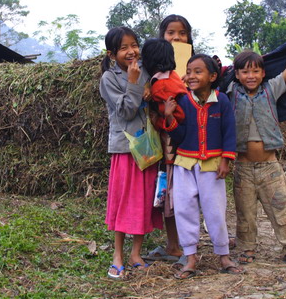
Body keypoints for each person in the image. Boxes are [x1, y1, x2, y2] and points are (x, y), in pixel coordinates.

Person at [227, 48, 286, 265]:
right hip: (242, 169)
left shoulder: (271, 89)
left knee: (280, 208)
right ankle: (246, 249)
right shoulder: (231, 92)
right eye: (244, 72)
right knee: (245, 213)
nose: (250, 76)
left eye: (255, 71)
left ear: (264, 73)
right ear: (236, 74)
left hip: (270, 167)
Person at [164, 54, 241, 279]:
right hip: (184, 165)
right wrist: (169, 118)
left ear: (213, 76)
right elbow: (179, 135)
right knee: (184, 209)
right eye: (189, 71)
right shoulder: (184, 101)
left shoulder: (222, 101)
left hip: (212, 165)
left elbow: (229, 131)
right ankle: (190, 258)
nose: (192, 76)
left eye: (198, 71)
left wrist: (226, 159)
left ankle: (223, 255)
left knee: (215, 210)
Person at [99, 26, 163, 280]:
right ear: (112, 54)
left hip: (147, 146)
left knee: (143, 200)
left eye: (134, 45)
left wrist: (149, 89)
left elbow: (152, 99)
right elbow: (125, 111)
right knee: (123, 201)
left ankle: (136, 253)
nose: (131, 51)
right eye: (124, 47)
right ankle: (118, 255)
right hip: (125, 149)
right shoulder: (109, 79)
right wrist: (136, 85)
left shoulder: (146, 71)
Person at [143, 15, 194, 264]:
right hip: (171, 146)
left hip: (175, 146)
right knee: (171, 197)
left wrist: (161, 120)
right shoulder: (172, 76)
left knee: (174, 196)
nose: (176, 38)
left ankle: (183, 248)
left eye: (182, 33)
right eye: (171, 33)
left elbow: (178, 114)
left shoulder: (163, 85)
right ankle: (175, 245)